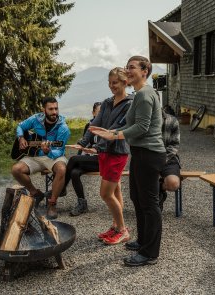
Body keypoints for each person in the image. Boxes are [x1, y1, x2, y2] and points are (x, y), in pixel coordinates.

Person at [90, 56, 166, 266]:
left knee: (149, 204)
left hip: (150, 154)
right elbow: (130, 126)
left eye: (132, 67)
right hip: (141, 153)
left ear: (145, 71)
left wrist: (114, 136)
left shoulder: (143, 94)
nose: (128, 70)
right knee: (137, 198)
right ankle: (142, 241)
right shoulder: (141, 93)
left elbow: (142, 127)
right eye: (127, 67)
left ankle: (150, 253)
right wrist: (110, 132)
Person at [71, 67, 133, 244]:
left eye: (115, 83)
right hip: (104, 152)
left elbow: (117, 128)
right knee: (116, 190)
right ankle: (116, 226)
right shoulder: (106, 102)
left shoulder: (130, 103)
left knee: (105, 194)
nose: (111, 86)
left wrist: (98, 146)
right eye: (109, 83)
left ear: (124, 82)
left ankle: (122, 230)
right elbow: (95, 124)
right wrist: (83, 143)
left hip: (117, 152)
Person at [11, 97, 70, 220]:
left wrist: (48, 151)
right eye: (51, 109)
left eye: (56, 108)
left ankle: (52, 204)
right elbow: (20, 126)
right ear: (44, 110)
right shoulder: (35, 119)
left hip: (54, 156)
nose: (54, 112)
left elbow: (59, 150)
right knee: (16, 170)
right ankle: (35, 193)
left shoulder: (63, 127)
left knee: (61, 169)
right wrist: (21, 138)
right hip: (36, 155)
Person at [62, 101, 101, 216]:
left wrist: (78, 158)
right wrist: (80, 155)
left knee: (73, 159)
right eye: (98, 113)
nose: (100, 116)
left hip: (101, 160)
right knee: (74, 172)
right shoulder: (89, 126)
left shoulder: (107, 127)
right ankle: (82, 204)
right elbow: (83, 144)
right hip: (89, 159)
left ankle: (62, 188)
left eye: (102, 113)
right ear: (93, 113)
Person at [159, 108, 181, 212]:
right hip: (147, 158)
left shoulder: (172, 121)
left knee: (173, 184)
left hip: (168, 157)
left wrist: (162, 159)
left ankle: (160, 188)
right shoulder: (141, 121)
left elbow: (174, 145)